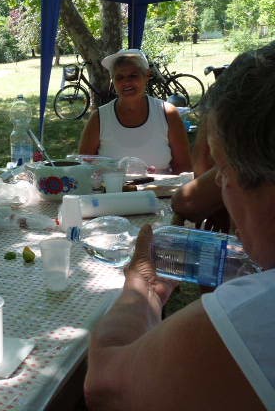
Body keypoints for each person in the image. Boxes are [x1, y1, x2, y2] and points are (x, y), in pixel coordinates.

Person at [84, 42, 275, 410]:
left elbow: (105, 386)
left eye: (222, 171)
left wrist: (142, 285)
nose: (219, 189)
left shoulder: (258, 313)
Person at [78, 49, 192, 174]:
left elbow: (184, 167)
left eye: (133, 76)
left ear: (147, 76)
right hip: (112, 187)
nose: (126, 82)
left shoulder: (168, 114)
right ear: (113, 81)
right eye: (120, 77)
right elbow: (84, 167)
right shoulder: (99, 118)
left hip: (162, 187)